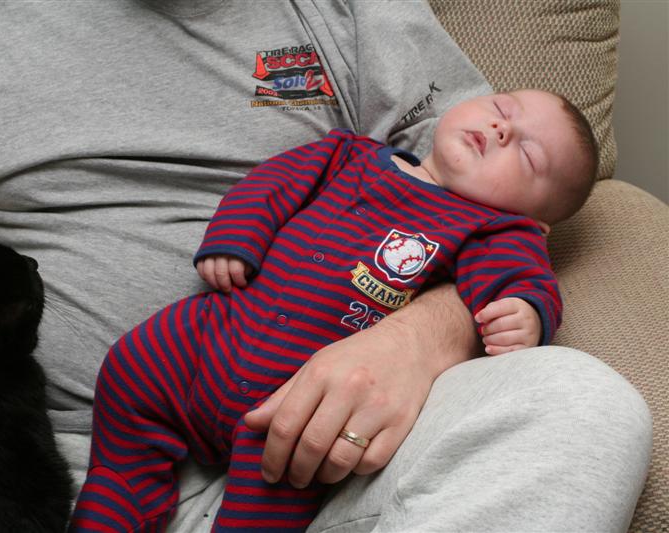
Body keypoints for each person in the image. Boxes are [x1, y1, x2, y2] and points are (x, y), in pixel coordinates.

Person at [0, 2, 651, 532]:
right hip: (26, 460)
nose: (502, 127)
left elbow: (502, 208)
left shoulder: (349, 12)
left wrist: (424, 336)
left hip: (327, 451)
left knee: (585, 409)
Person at [70, 89, 596, 531]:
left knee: (288, 480)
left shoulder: (494, 230)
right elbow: (271, 184)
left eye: (528, 154)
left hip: (296, 399)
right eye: (502, 108)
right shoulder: (348, 153)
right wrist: (236, 238)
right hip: (204, 341)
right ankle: (115, 499)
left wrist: (524, 311)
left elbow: (525, 279)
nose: (502, 130)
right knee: (133, 367)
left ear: (536, 218)